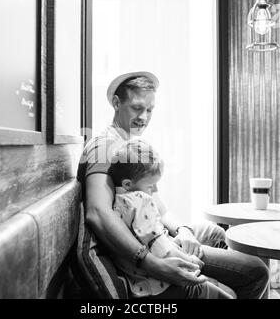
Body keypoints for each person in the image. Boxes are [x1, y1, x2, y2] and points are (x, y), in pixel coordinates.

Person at [76, 71, 269, 299]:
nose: (144, 117)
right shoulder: (105, 147)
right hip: (146, 241)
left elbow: (158, 204)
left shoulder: (133, 146)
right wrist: (152, 264)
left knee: (215, 232)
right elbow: (97, 213)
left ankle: (215, 285)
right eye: (137, 108)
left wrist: (183, 231)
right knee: (257, 271)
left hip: (155, 228)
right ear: (117, 103)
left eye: (150, 110)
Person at [109, 139, 234, 299]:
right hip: (161, 282)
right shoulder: (140, 199)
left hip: (139, 282)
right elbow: (159, 245)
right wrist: (189, 260)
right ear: (128, 184)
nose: (155, 190)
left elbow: (147, 237)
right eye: (151, 186)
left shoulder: (118, 201)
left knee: (214, 233)